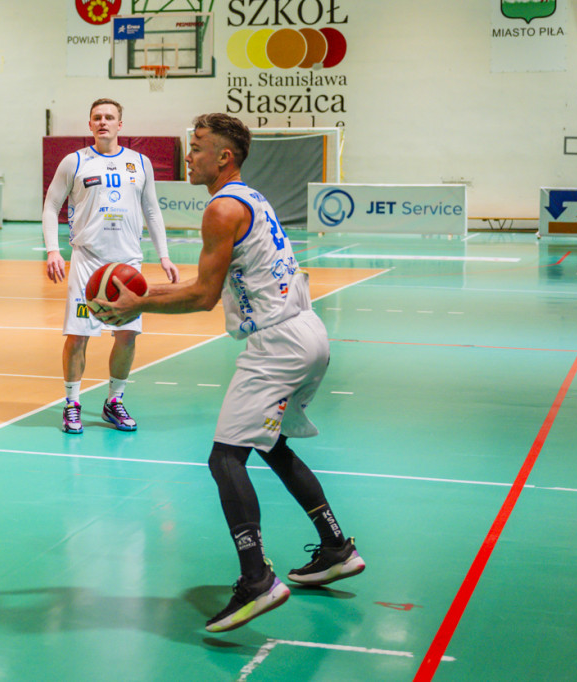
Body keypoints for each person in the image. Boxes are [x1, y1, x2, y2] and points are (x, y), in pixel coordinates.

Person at [92, 113, 365, 633]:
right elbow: (203, 284)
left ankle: (256, 580)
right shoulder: (251, 198)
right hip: (308, 332)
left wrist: (135, 308)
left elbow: (202, 295)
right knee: (271, 444)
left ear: (224, 157)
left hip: (277, 345)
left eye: (196, 147)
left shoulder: (221, 209)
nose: (188, 156)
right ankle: (335, 547)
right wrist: (142, 297)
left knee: (225, 459)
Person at [41, 98, 179, 435]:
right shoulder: (74, 162)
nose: (103, 122)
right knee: (78, 336)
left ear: (120, 124)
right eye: (97, 118)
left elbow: (153, 211)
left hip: (128, 264)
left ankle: (113, 401)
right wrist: (52, 251)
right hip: (87, 260)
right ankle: (72, 404)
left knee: (127, 335)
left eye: (110, 117)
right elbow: (50, 206)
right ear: (89, 125)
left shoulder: (140, 162)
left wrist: (164, 255)